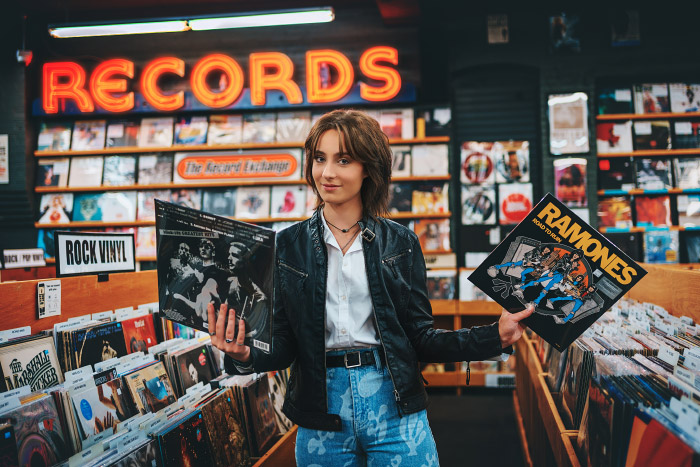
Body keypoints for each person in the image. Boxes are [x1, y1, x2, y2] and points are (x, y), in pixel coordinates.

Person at [207, 109, 533, 465]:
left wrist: (494, 337)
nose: (327, 172)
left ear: (368, 168)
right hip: (320, 411)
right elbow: (286, 345)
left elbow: (420, 338)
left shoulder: (401, 243)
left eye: (343, 159)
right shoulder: (285, 247)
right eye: (319, 158)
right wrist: (244, 355)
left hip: (394, 403)